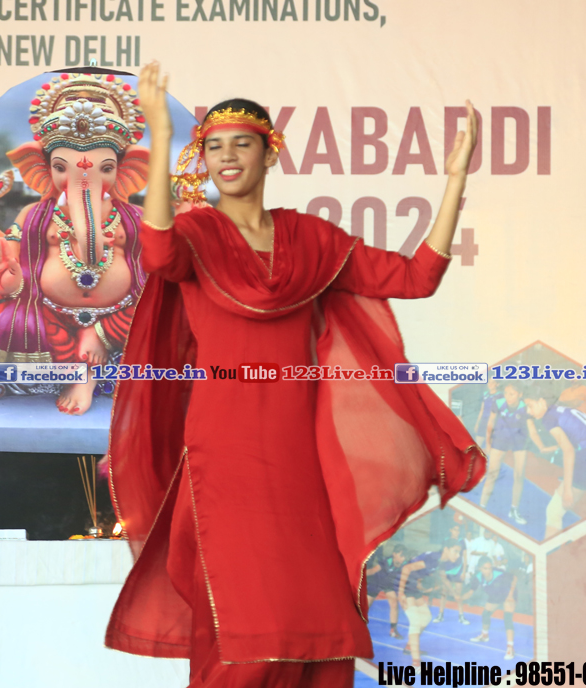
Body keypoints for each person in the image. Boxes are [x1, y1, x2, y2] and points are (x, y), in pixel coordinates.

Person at [105, 62, 486, 687]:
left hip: (298, 451)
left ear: (269, 152)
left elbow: (417, 278)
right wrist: (161, 135)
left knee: (318, 627)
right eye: (215, 147)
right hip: (223, 449)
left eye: (242, 143)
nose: (228, 157)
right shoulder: (197, 233)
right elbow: (158, 253)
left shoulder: (311, 239)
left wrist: (455, 182)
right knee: (244, 627)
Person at [0, 72, 150, 414]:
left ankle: (98, 344)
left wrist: (104, 330)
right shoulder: (36, 215)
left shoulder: (134, 217)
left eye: (104, 168)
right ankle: (79, 371)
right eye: (63, 168)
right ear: (41, 169)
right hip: (50, 313)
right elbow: (4, 257)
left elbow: (155, 271)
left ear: (127, 170)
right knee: (11, 322)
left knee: (157, 314)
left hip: (121, 315)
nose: (83, 178)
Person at [524, 387, 586, 539]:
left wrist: (567, 489)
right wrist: (555, 447)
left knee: (554, 511)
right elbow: (580, 435)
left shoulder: (548, 418)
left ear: (541, 402)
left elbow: (569, 451)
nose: (528, 411)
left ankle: (551, 551)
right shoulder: (562, 410)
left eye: (530, 406)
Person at [397, 540, 464, 667]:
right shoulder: (433, 558)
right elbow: (406, 568)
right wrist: (400, 593)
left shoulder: (443, 562)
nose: (458, 555)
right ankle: (416, 664)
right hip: (404, 584)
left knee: (426, 617)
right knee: (416, 621)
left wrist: (454, 593)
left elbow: (443, 578)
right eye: (455, 551)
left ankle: (410, 646)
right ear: (446, 549)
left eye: (459, 553)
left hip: (414, 586)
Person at [478, 381, 531, 525]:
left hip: (519, 440)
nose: (508, 396)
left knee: (519, 475)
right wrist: (488, 442)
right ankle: (481, 507)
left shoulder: (525, 406)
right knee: (492, 474)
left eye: (512, 394)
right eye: (506, 393)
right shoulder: (499, 402)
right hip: (501, 438)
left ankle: (514, 510)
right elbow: (491, 422)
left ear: (520, 394)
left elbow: (531, 427)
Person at [464, 557, 518, 659]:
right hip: (497, 595)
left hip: (509, 593)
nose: (488, 571)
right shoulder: (478, 577)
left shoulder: (499, 573)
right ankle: (484, 635)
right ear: (480, 568)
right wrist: (460, 598)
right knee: (485, 614)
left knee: (507, 618)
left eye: (489, 568)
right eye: (485, 568)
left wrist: (510, 595)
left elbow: (514, 577)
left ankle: (510, 648)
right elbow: (470, 592)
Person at [365, 544, 409, 639]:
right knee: (365, 606)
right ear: (394, 554)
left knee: (394, 603)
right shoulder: (386, 561)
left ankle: (393, 631)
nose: (403, 558)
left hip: (389, 584)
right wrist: (358, 573)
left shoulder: (405, 564)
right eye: (401, 555)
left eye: (404, 556)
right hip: (376, 582)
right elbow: (373, 571)